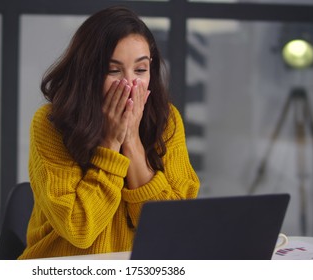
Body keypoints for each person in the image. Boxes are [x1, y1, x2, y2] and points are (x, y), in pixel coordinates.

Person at [18, 6, 200, 259]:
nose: (130, 83)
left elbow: (174, 229)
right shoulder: (51, 123)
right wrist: (111, 142)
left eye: (140, 70)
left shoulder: (166, 120)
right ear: (89, 73)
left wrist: (132, 140)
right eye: (114, 71)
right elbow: (79, 228)